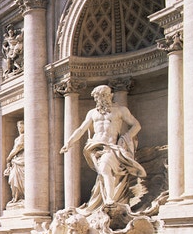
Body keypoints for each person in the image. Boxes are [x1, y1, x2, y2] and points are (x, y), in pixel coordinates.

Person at [60, 84, 146, 212]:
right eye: (98, 96)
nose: (100, 99)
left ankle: (110, 199)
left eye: (104, 95)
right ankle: (106, 199)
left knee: (105, 169)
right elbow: (81, 129)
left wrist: (125, 137)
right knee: (102, 172)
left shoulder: (120, 110)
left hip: (111, 146)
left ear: (110, 95)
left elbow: (136, 125)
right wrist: (69, 142)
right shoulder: (92, 113)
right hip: (95, 147)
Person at [4, 120, 26, 204]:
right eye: (19, 127)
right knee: (13, 179)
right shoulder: (17, 139)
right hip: (16, 160)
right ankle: (16, 197)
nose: (20, 128)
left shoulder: (24, 136)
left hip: (22, 159)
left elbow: (18, 147)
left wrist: (9, 158)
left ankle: (22, 196)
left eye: (22, 126)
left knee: (21, 179)